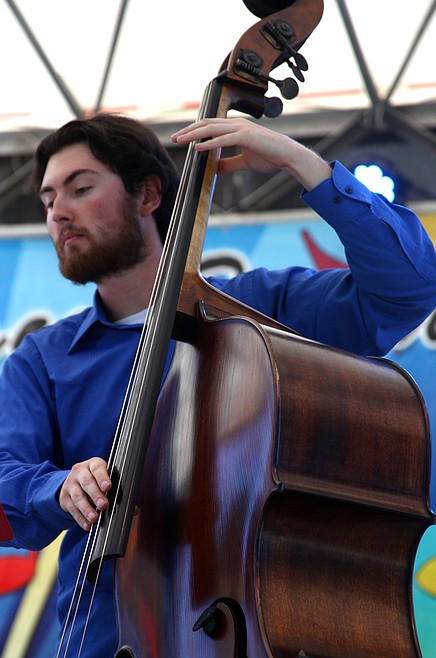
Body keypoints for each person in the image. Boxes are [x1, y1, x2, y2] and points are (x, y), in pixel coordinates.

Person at [0, 112, 435, 657]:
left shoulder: (259, 310)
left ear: (148, 194)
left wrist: (303, 164)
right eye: (47, 201)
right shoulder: (40, 360)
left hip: (257, 629)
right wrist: (58, 488)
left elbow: (408, 289)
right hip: (105, 640)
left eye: (80, 189)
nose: (57, 213)